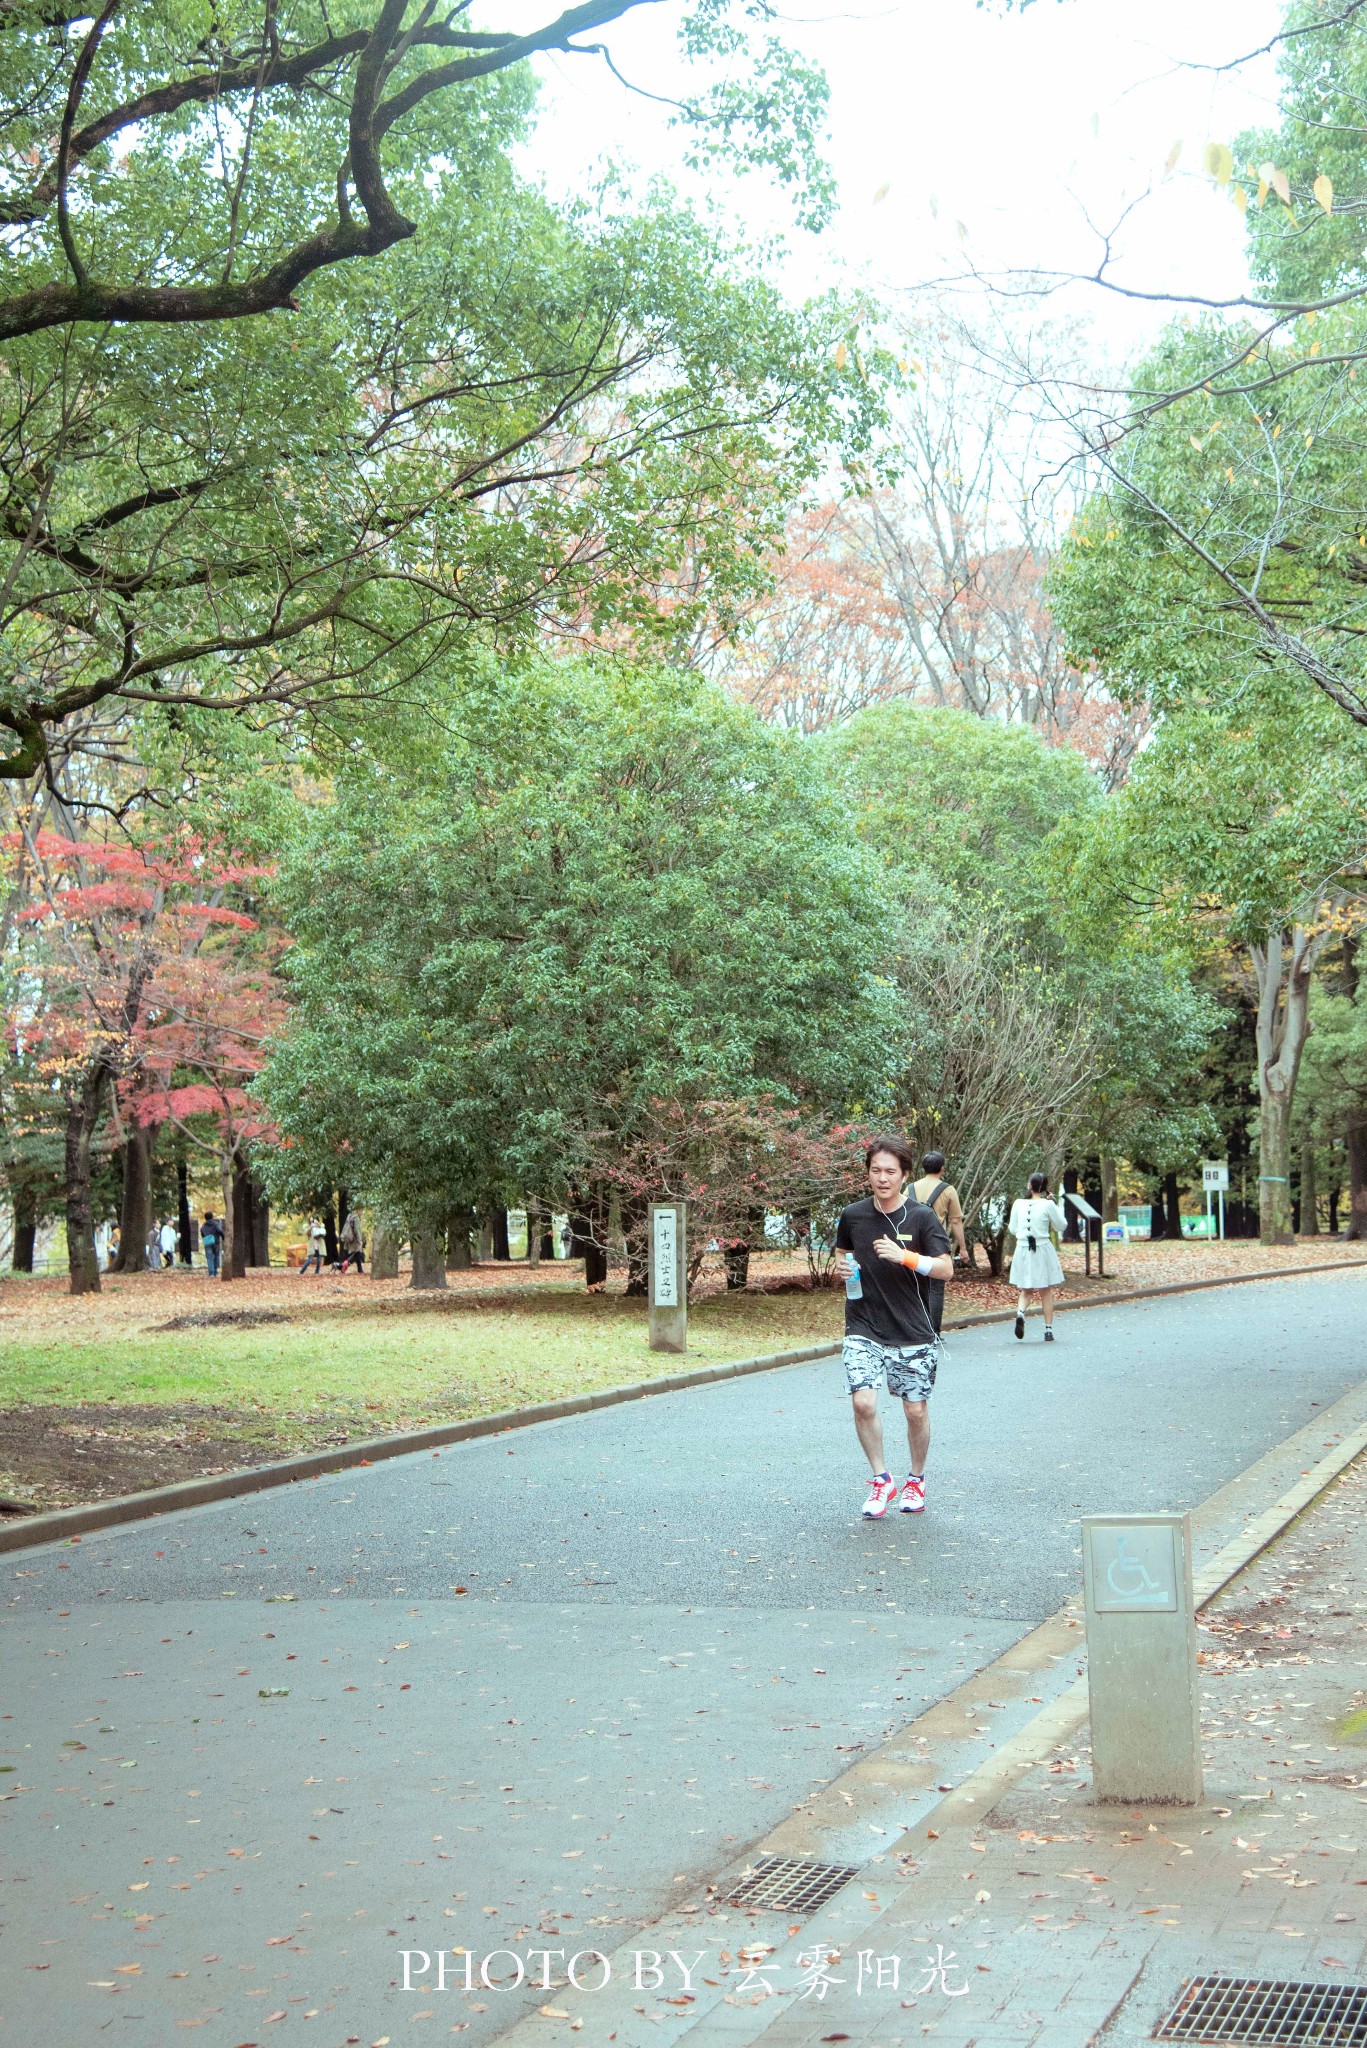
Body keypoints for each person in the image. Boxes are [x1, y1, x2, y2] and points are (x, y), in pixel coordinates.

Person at [834, 1135, 954, 1519]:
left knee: (915, 1411)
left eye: (890, 1171)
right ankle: (881, 1479)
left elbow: (946, 1269)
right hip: (863, 1324)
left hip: (912, 1328)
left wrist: (905, 1257)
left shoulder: (921, 1217)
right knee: (862, 1402)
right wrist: (844, 1268)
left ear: (904, 1175)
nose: (882, 1178)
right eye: (875, 1170)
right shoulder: (853, 1215)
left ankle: (915, 1479)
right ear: (867, 1173)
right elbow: (843, 1250)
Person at [911, 1149, 969, 1333]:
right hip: (936, 1242)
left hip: (912, 1242)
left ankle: (916, 1328)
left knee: (913, 1285)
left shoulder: (910, 1188)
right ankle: (933, 1331)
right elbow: (955, 1220)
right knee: (936, 1288)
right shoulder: (948, 1190)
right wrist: (963, 1248)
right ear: (942, 1169)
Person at [1008, 1171, 1068, 1341]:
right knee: (1045, 1291)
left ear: (1029, 1185)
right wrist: (1053, 1204)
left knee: (1026, 1290)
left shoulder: (1018, 1203)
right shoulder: (1047, 1205)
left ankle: (1020, 1313)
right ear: (1044, 1189)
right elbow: (1061, 1225)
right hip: (1041, 1249)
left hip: (1022, 1248)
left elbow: (1013, 1229)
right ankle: (1048, 1329)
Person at [336, 1209, 365, 1274]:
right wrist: (360, 1239)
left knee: (358, 1253)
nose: (361, 1212)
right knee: (356, 1253)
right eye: (360, 1210)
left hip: (350, 1238)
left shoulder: (349, 1216)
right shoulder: (356, 1217)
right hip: (355, 1239)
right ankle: (344, 1264)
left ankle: (360, 1270)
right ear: (357, 1210)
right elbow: (357, 1230)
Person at [200, 1210, 224, 1278]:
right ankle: (215, 1271)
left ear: (205, 1218)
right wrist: (223, 1237)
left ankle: (211, 1273)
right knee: (216, 1256)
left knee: (209, 1258)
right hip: (215, 1242)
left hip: (207, 1243)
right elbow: (220, 1231)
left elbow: (202, 1232)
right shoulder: (215, 1224)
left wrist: (205, 1237)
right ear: (212, 1217)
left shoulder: (204, 1226)